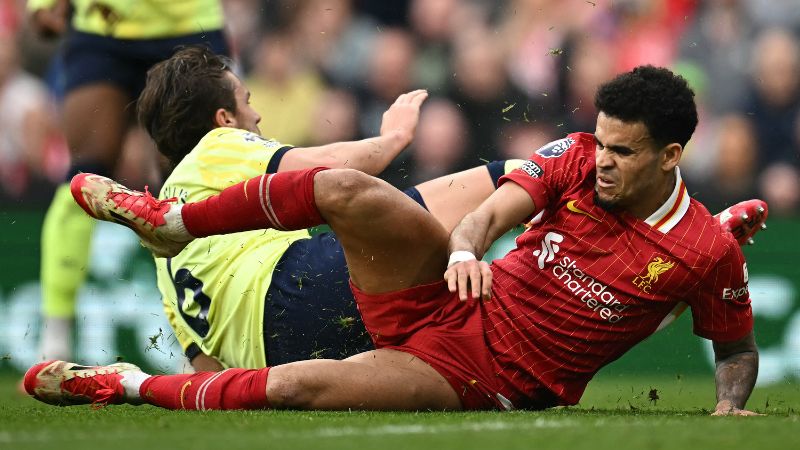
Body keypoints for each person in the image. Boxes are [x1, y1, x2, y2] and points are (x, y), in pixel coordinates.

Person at [28, 66, 766, 415]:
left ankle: (120, 383)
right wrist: (466, 248)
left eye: (623, 152)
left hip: (480, 376)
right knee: (347, 191)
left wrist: (731, 404)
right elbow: (492, 211)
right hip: (448, 291)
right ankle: (170, 224)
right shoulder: (576, 155)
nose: (602, 160)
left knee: (295, 387)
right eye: (600, 144)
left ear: (671, 155)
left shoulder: (707, 254)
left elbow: (735, 348)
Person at [28, 0, 229, 361]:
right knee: (84, 175)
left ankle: (207, 342)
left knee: (195, 178)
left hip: (187, 26)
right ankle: (52, 346)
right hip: (103, 25)